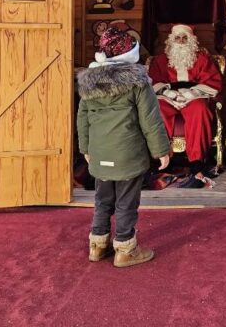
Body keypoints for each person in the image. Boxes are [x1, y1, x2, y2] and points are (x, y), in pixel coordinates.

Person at [77, 26, 170, 268]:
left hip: (99, 153)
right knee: (126, 201)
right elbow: (150, 119)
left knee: (102, 199)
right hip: (128, 154)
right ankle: (125, 248)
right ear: (130, 54)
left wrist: (86, 148)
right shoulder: (138, 82)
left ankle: (97, 246)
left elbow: (83, 118)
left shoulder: (89, 83)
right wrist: (160, 150)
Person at [147, 24, 223, 183]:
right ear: (171, 41)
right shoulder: (160, 60)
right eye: (177, 38)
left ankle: (196, 162)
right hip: (168, 96)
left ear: (192, 40)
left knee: (200, 109)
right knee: (158, 109)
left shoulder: (202, 59)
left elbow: (213, 82)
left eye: (184, 38)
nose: (181, 41)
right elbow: (152, 82)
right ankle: (161, 158)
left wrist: (191, 93)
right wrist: (168, 94)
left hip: (194, 96)